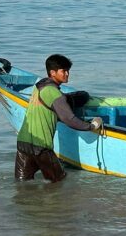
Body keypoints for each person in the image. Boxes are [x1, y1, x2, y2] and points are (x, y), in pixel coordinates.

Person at [15, 54, 103, 183]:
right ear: (53, 72)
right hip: (41, 147)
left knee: (23, 184)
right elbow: (69, 119)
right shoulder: (54, 93)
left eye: (68, 70)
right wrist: (91, 126)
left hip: (23, 143)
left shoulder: (39, 87)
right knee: (59, 181)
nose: (67, 74)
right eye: (63, 71)